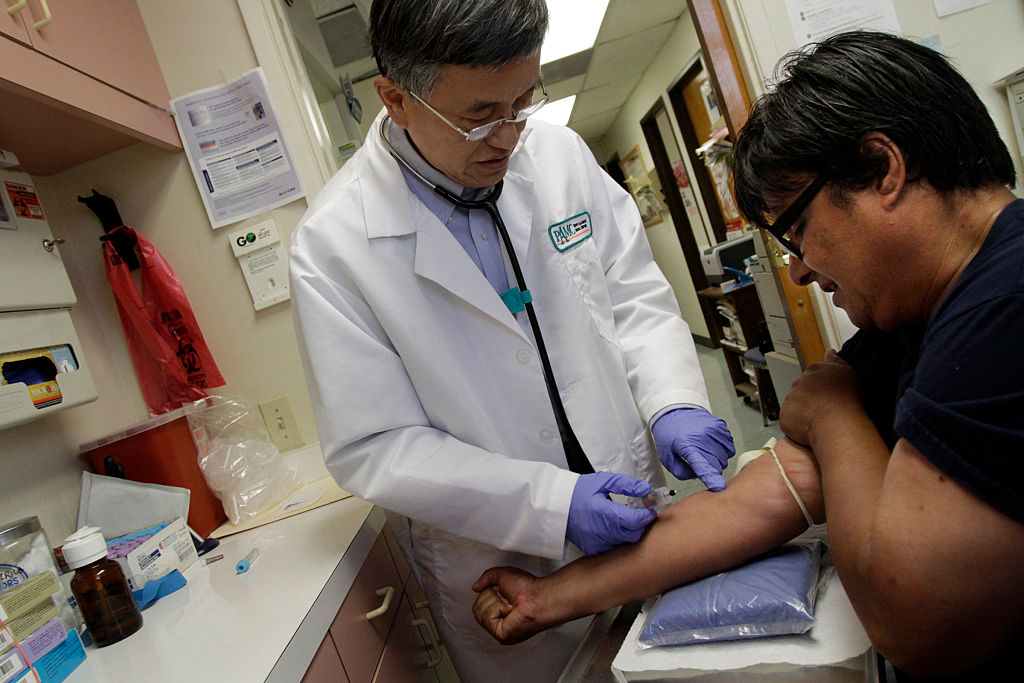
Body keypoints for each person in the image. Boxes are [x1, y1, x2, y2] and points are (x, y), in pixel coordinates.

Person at [474, 30, 1024, 679]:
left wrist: (833, 414)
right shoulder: (917, 312)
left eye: (797, 231)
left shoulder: (1004, 309)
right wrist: (546, 598)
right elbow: (758, 501)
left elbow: (915, 624)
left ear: (883, 169)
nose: (800, 269)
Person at [289, 1, 734, 679]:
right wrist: (553, 506)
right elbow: (375, 444)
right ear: (395, 100)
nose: (510, 136)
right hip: (502, 561)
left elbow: (632, 294)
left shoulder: (558, 156)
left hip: (637, 506)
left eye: (523, 101)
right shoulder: (333, 247)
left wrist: (674, 399)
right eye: (479, 116)